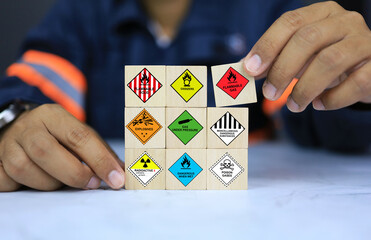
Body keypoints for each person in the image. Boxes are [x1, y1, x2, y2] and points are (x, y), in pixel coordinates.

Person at [0, 0, 370, 192]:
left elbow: (315, 111)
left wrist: (353, 87)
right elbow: (27, 91)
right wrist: (13, 121)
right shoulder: (80, 14)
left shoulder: (266, 9)